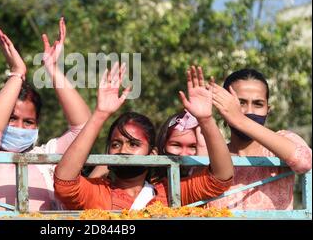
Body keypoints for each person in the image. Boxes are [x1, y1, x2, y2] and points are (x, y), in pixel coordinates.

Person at [0, 17, 91, 211]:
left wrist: (52, 69)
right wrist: (17, 74)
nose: (19, 127)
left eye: (28, 122)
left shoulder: (46, 157)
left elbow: (84, 129)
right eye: (11, 118)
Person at [54, 65, 233, 210]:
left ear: (152, 153)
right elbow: (64, 183)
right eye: (116, 144)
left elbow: (221, 178)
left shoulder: (170, 191)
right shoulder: (97, 191)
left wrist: (206, 119)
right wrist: (100, 114)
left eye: (133, 144)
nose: (123, 150)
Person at [207, 68, 312, 210]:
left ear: (267, 110)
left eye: (258, 104)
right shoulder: (212, 154)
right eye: (240, 103)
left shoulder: (283, 142)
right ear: (223, 108)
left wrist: (240, 120)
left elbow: (305, 161)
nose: (249, 111)